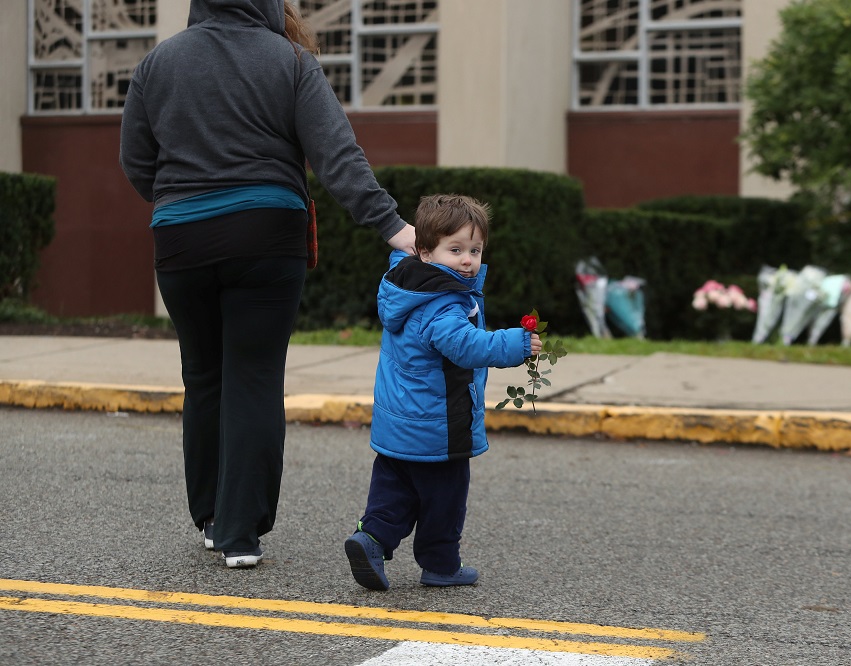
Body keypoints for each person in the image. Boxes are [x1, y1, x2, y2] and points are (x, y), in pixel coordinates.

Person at [119, 0, 416, 569]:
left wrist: (179, 202)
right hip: (266, 232)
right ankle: (240, 534)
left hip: (180, 239)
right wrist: (391, 225)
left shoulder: (157, 63)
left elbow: (137, 160)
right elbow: (336, 155)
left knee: (203, 375)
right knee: (253, 376)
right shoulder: (290, 61)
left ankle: (208, 516)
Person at [344, 194, 542, 590]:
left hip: (396, 423)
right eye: (455, 249)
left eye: (475, 249)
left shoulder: (407, 284)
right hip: (440, 427)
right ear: (426, 253)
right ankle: (441, 564)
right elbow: (467, 346)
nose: (468, 260)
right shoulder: (443, 304)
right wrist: (516, 345)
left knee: (394, 488)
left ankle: (371, 539)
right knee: (444, 498)